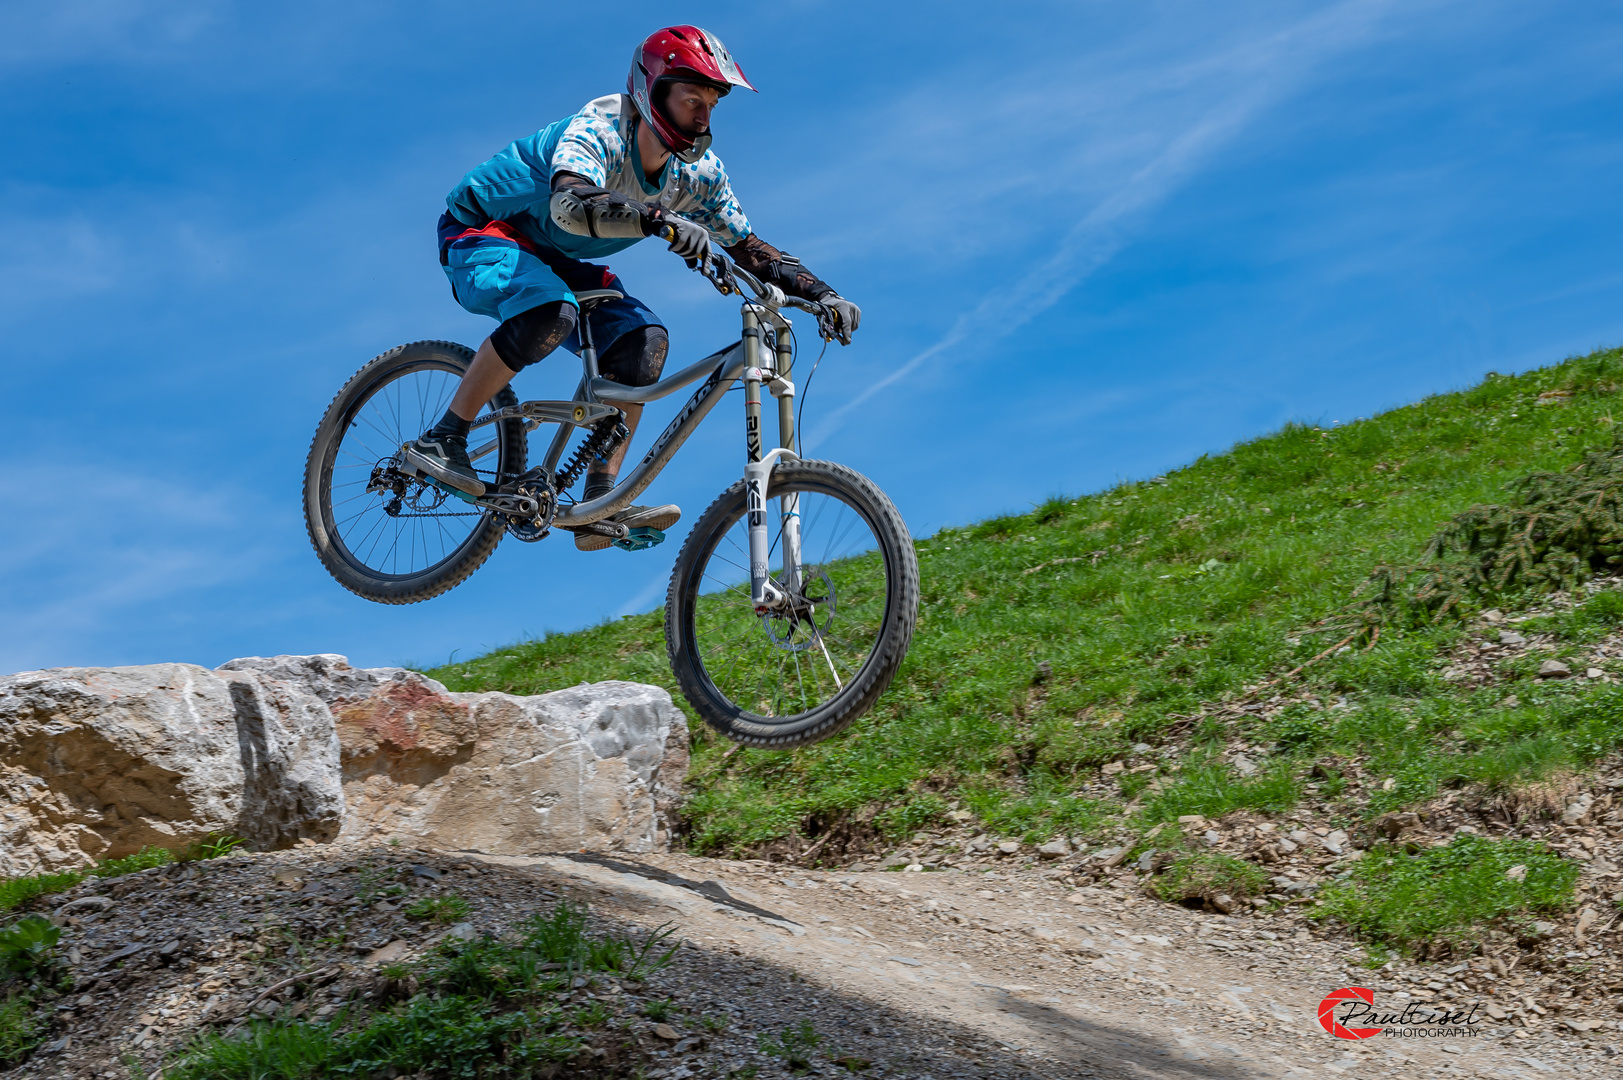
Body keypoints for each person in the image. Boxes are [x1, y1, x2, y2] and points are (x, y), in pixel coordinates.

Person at [405, 25, 861, 551]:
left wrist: (822, 294)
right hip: (482, 229)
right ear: (653, 89)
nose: (704, 118)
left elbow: (747, 247)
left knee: (642, 341)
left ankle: (601, 497)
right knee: (549, 313)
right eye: (693, 99)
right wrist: (655, 219)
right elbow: (570, 202)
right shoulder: (599, 128)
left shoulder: (698, 176)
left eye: (712, 104)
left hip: (557, 254)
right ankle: (445, 437)